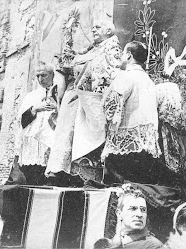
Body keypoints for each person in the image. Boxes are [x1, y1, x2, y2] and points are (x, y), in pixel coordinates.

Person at [45, 18, 122, 186]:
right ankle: (62, 171)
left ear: (109, 32)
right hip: (76, 98)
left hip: (92, 99)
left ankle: (85, 175)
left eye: (98, 27)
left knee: (86, 141)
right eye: (92, 27)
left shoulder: (112, 49)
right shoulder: (92, 49)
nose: (94, 29)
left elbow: (112, 73)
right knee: (67, 137)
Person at [102, 41, 162, 184]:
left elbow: (111, 105)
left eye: (123, 53)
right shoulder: (148, 80)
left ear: (128, 55)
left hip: (125, 149)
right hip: (146, 148)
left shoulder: (126, 75)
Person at [16, 61, 56, 185]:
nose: (40, 79)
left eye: (43, 75)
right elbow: (21, 121)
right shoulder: (31, 96)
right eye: (37, 76)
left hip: (51, 145)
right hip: (33, 146)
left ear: (52, 74)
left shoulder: (59, 92)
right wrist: (34, 109)